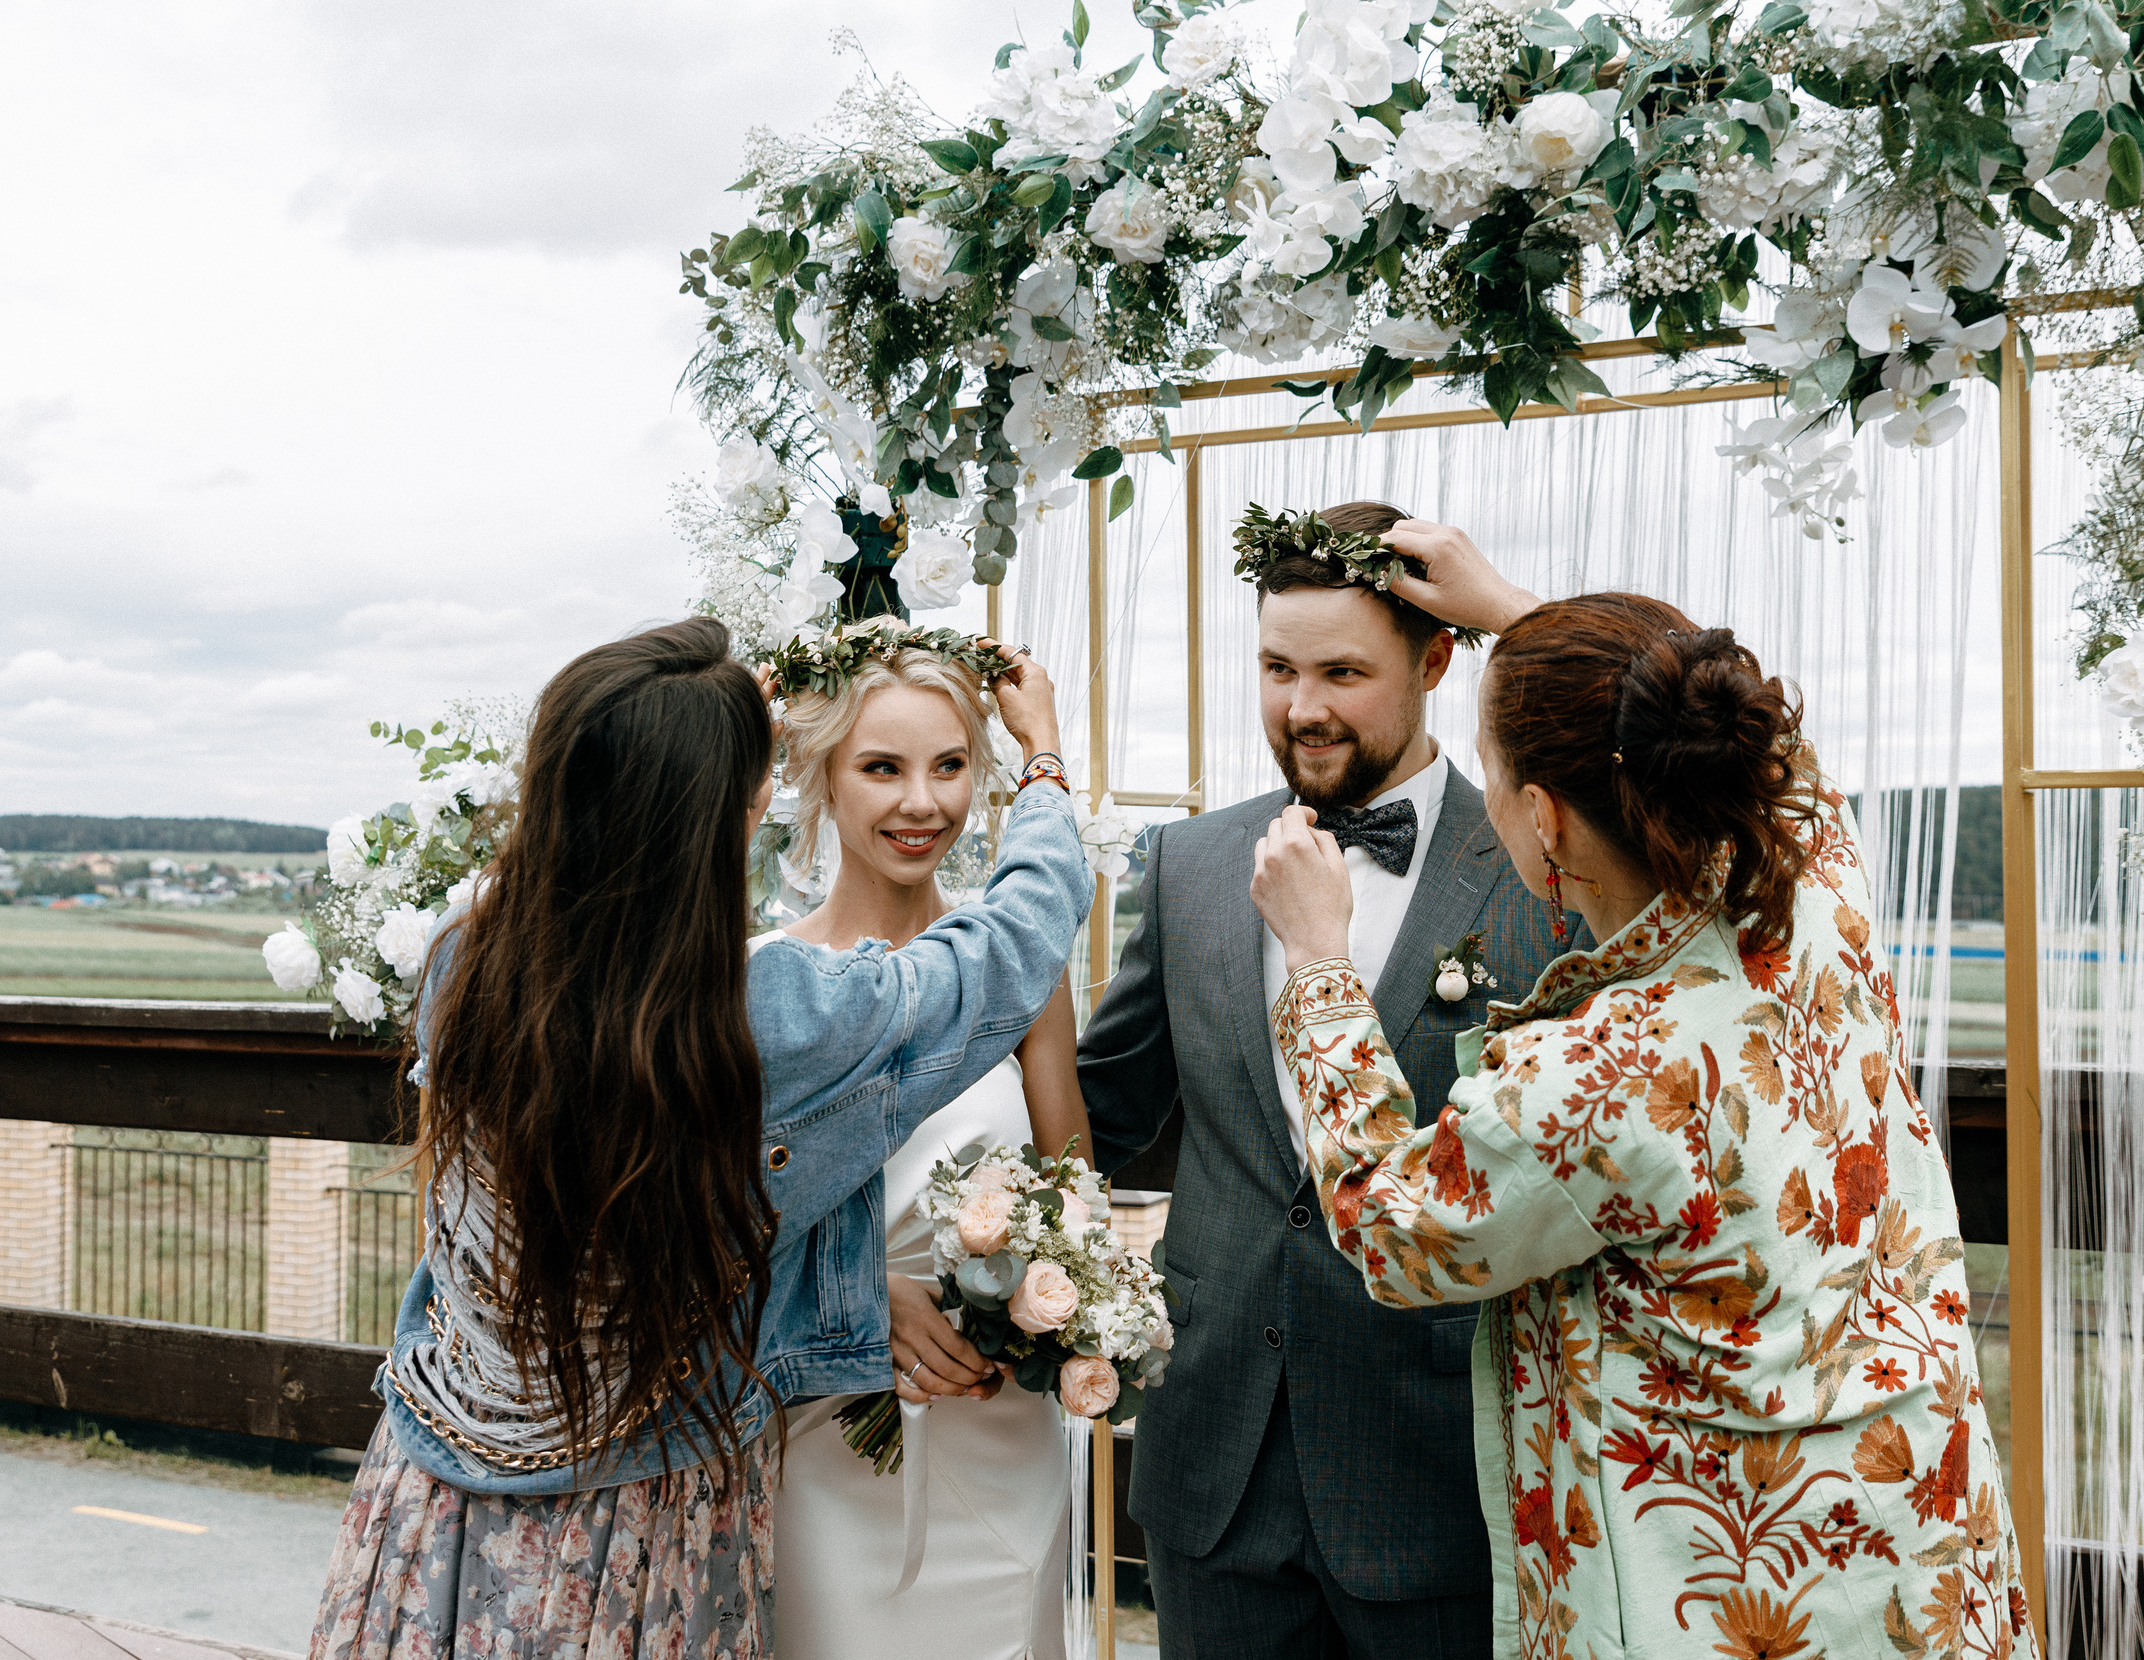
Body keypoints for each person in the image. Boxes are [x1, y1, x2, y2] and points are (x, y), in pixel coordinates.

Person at [1250, 541, 2038, 1660]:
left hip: (1721, 1599)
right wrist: (1533, 621)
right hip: (1913, 1542)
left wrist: (1319, 965)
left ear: (1547, 821)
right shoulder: (1812, 895)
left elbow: (1388, 1224)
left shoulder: (1602, 1075)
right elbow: (1772, 760)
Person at [308, 615, 1093, 1659]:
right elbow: (1023, 928)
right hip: (636, 1520)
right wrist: (1038, 758)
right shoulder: (769, 1010)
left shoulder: (469, 962)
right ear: (754, 801)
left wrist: (687, 723)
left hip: (436, 1497)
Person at [1077, 502, 1586, 1660]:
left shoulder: (1538, 862)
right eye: (1276, 668)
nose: (1302, 707)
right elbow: (1101, 1114)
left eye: (1343, 672)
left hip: (1443, 1476)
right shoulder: (1192, 862)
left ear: (1437, 660)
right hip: (1214, 1477)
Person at [763, 618, 1090, 1659]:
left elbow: (1070, 1178)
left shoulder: (1020, 970)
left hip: (1000, 1429)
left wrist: (1037, 1299)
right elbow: (728, 1223)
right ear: (821, 779)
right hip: (828, 1437)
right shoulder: (768, 983)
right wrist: (861, 1301)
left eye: (950, 766)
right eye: (882, 767)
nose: (923, 802)